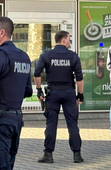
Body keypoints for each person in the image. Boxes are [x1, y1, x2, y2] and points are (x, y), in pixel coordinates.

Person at [34, 30, 84, 163]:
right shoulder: (73, 56)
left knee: (51, 124)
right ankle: (77, 155)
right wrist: (80, 95)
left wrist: (39, 91)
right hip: (68, 93)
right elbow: (79, 79)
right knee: (72, 124)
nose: (69, 42)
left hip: (53, 94)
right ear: (63, 40)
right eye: (69, 39)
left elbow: (36, 74)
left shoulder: (46, 55)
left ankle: (48, 154)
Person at [0, 17, 32, 169]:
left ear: (1, 32)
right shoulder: (23, 56)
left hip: (2, 120)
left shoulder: (2, 54)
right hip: (16, 119)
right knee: (9, 163)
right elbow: (28, 90)